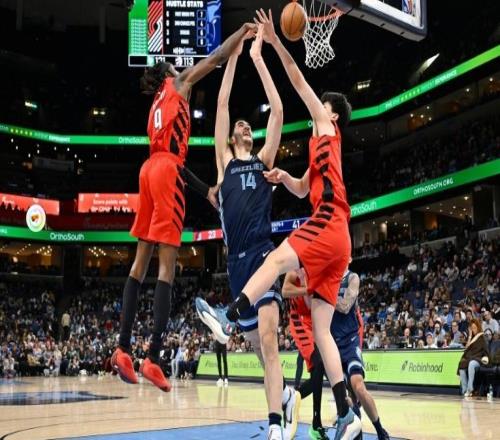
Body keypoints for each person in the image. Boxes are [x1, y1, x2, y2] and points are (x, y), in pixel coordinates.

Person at [212, 9, 361, 439]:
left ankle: (229, 316)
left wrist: (270, 47)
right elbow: (301, 189)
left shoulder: (318, 130)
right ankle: (345, 412)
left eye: (323, 107)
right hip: (264, 256)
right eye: (240, 126)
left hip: (319, 227)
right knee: (318, 331)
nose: (318, 108)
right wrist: (286, 178)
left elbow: (292, 88)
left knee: (277, 263)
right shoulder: (235, 160)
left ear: (332, 116)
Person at [111, 22, 257, 392]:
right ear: (170, 72)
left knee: (139, 264)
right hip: (164, 173)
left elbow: (169, 160)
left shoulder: (155, 105)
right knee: (167, 268)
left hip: (148, 171)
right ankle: (153, 358)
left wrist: (204, 190)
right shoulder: (178, 82)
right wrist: (240, 34)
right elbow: (217, 56)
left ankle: (123, 348)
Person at [195, 25, 298, 440]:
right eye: (238, 125)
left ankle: (275, 426)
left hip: (262, 255)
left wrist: (259, 58)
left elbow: (278, 110)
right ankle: (285, 395)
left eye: (245, 125)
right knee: (258, 347)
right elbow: (221, 102)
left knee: (269, 341)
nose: (242, 125)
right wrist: (234, 54)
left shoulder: (263, 160)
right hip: (236, 264)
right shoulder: (224, 163)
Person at [458, 318, 489, 397]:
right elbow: (466, 349)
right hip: (471, 358)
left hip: (478, 359)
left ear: (478, 327)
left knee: (471, 364)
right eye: (472, 328)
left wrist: (486, 357)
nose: (474, 330)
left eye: (475, 328)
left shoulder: (482, 337)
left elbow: (485, 351)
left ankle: (470, 388)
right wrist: (470, 336)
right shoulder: (471, 338)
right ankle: (464, 390)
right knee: (461, 364)